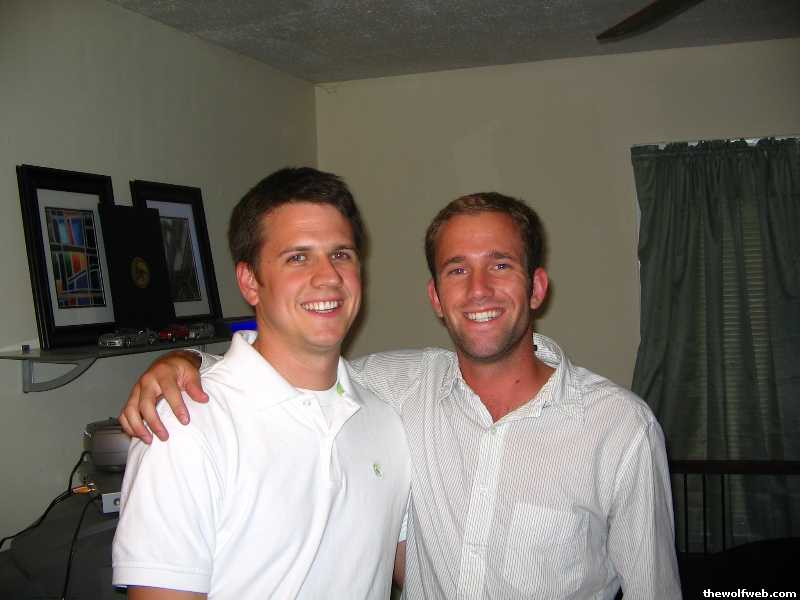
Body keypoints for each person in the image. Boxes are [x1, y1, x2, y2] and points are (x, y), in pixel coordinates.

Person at [122, 192, 682, 599]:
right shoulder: (395, 391)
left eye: (500, 265)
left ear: (536, 286)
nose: (479, 290)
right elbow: (288, 366)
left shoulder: (618, 427)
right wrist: (187, 361)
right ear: (436, 297)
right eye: (457, 270)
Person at [112, 167, 411, 599]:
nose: (329, 276)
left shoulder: (386, 421)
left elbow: (419, 571)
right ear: (250, 282)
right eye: (298, 258)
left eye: (341, 254)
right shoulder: (186, 424)